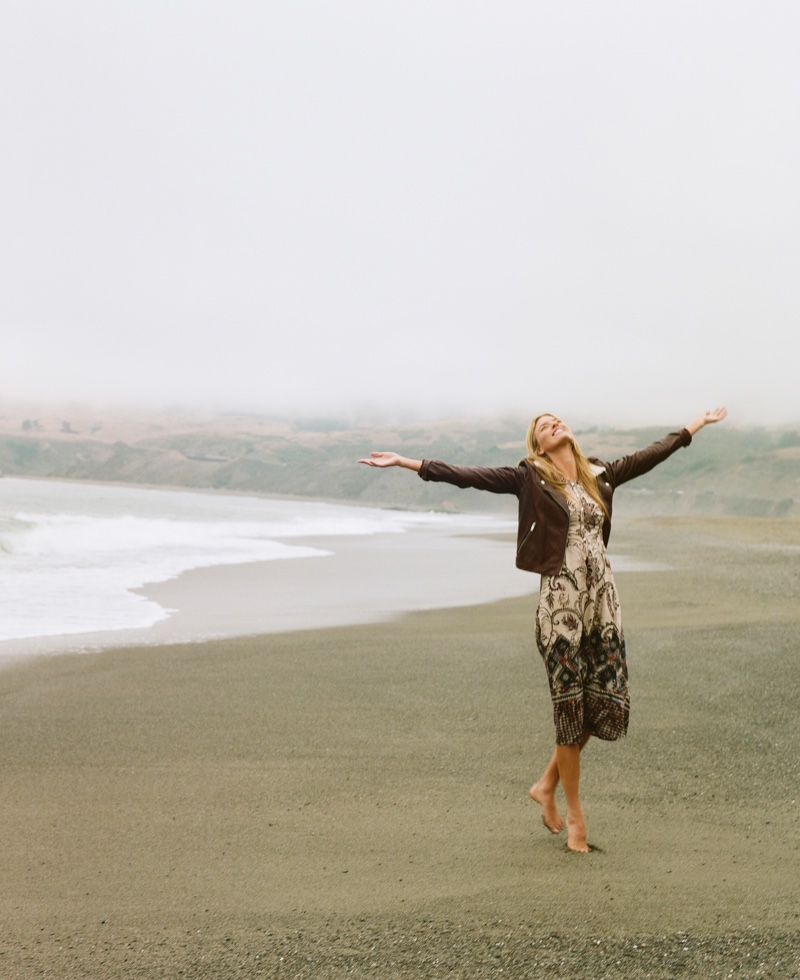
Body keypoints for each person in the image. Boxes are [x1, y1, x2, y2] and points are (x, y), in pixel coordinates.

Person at [358, 407, 727, 852]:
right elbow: (469, 476)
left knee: (601, 704)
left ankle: (546, 785)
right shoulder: (530, 477)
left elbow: (653, 453)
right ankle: (575, 819)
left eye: (557, 420)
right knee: (570, 711)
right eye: (544, 426)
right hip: (561, 607)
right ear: (537, 446)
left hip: (602, 605)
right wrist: (407, 463)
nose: (554, 424)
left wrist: (696, 426)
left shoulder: (600, 474)